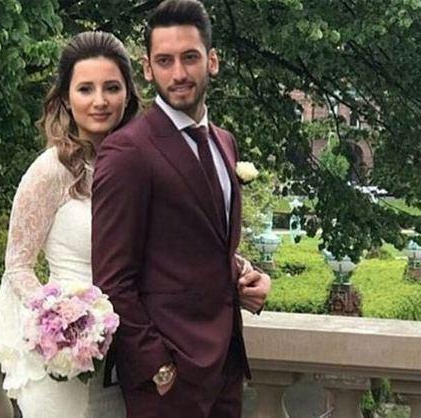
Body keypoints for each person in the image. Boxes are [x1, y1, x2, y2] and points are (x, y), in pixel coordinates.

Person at [92, 1, 271, 417]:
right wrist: (157, 366)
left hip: (225, 370)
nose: (178, 73)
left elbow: (201, 244)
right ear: (147, 68)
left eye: (190, 58)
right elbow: (113, 279)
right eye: (164, 61)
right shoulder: (127, 151)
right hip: (167, 382)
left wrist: (248, 276)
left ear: (212, 61)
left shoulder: (224, 142)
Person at [0, 31, 140, 418]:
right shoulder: (51, 171)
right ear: (66, 99)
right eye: (86, 89)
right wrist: (61, 319)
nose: (100, 101)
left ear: (128, 95)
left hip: (129, 364)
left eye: (111, 87)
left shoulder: (141, 169)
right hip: (67, 362)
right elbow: (18, 265)